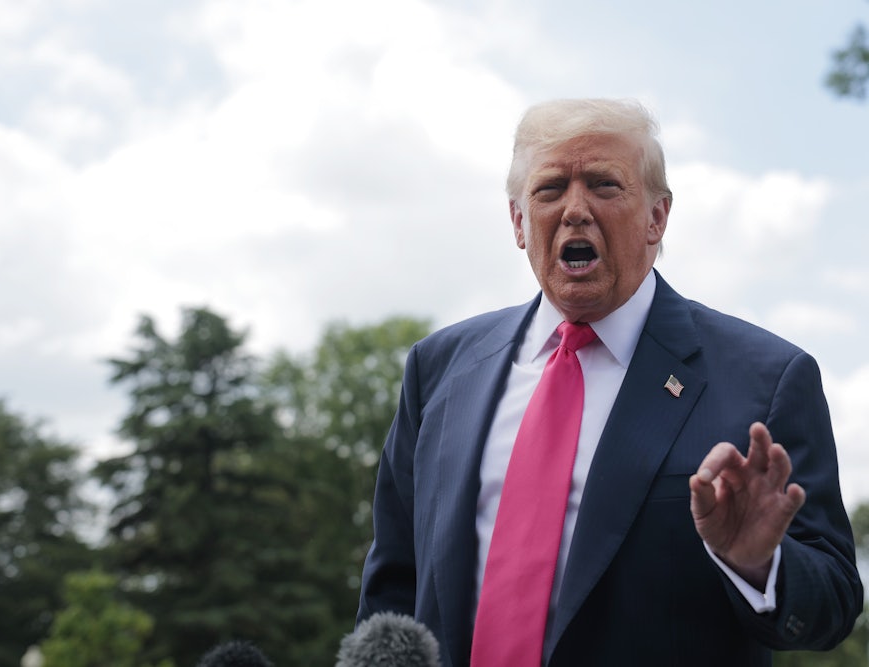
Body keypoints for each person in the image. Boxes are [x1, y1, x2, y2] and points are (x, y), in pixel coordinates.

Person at [356, 98, 864, 666]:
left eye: (604, 185)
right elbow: (392, 589)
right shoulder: (439, 369)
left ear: (657, 218)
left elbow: (834, 602)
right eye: (550, 189)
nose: (575, 210)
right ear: (519, 222)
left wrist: (758, 563)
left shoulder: (768, 379)